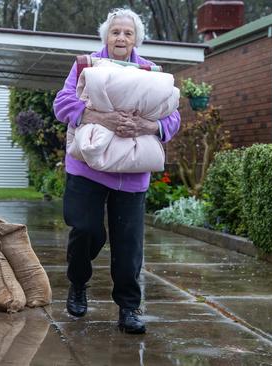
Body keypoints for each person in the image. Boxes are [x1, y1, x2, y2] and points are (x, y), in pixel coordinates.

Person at [53, 8, 181, 334]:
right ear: (105, 37)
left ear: (136, 38)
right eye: (115, 32)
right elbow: (63, 103)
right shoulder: (87, 65)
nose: (121, 38)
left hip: (132, 172)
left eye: (127, 33)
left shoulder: (150, 72)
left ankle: (128, 308)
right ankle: (78, 283)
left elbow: (173, 117)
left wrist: (146, 125)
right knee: (85, 230)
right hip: (88, 166)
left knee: (128, 246)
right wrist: (100, 118)